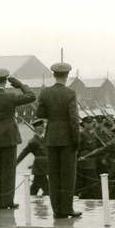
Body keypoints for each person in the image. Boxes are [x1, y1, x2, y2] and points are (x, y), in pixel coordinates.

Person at [0, 69, 36, 210]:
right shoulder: (10, 97)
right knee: (8, 171)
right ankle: (8, 201)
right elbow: (31, 96)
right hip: (9, 138)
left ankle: (0, 203)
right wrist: (20, 85)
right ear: (5, 81)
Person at [36, 62, 82, 219]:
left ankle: (57, 210)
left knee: (54, 176)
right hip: (67, 139)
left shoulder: (45, 93)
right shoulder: (70, 93)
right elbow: (74, 120)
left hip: (51, 138)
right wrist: (76, 140)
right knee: (68, 175)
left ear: (54, 75)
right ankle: (67, 208)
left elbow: (40, 113)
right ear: (67, 76)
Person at [15, 119, 48, 196]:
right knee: (48, 190)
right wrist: (15, 163)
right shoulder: (33, 142)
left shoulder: (45, 139)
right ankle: (37, 205)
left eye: (44, 126)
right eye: (42, 126)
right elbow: (23, 153)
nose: (44, 128)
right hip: (40, 168)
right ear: (37, 128)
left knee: (34, 189)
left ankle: (32, 204)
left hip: (43, 168)